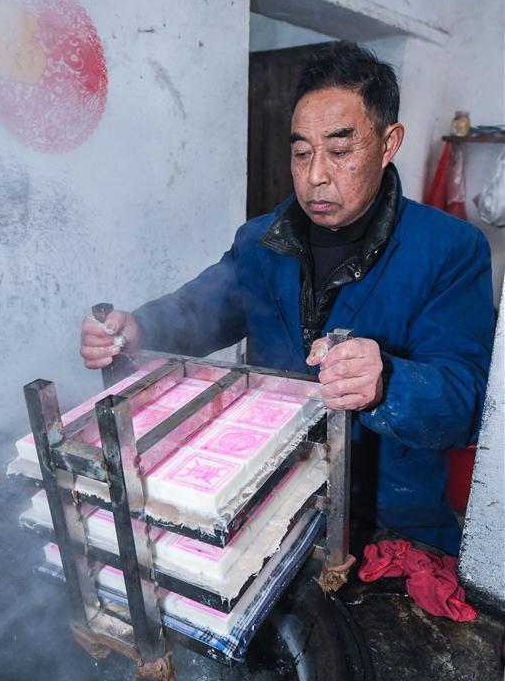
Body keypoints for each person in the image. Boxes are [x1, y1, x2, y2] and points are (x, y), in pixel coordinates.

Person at [80, 41, 494, 556]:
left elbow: (468, 403)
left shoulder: (449, 249)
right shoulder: (260, 241)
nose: (315, 175)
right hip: (269, 499)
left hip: (388, 522)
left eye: (340, 152)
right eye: (301, 152)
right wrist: (140, 328)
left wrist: (388, 381)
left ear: (389, 143)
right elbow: (201, 311)